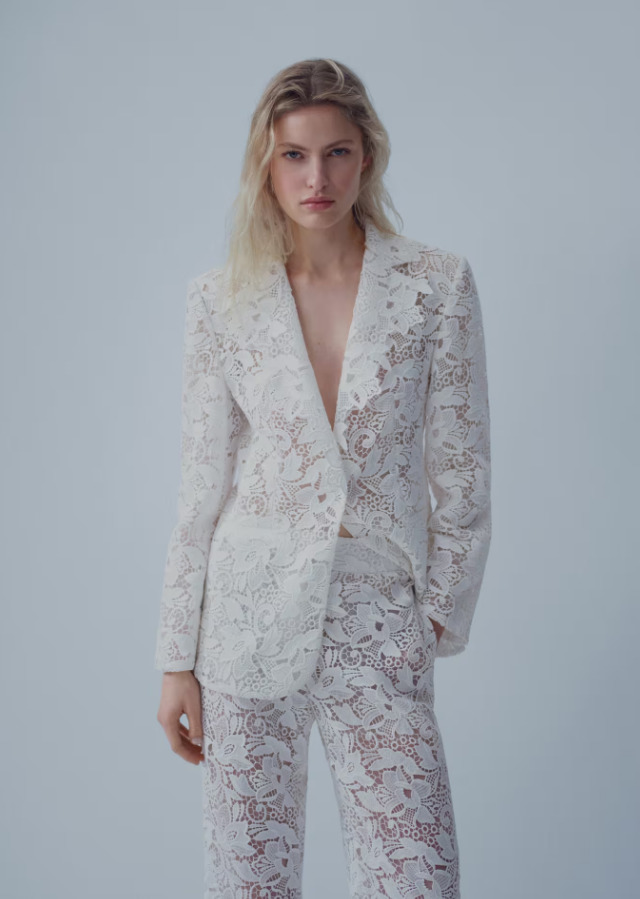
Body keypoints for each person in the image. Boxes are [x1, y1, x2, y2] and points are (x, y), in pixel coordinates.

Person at [155, 58, 491, 898]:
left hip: (381, 617)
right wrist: (175, 657)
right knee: (250, 882)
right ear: (266, 167)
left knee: (417, 876)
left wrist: (434, 617)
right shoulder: (220, 300)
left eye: (337, 152)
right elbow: (199, 489)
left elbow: (462, 471)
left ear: (366, 156)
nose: (317, 179)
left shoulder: (436, 286)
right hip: (245, 619)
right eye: (295, 156)